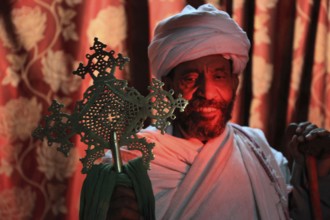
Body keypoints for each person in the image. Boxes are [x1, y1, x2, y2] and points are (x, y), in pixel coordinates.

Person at [106, 4, 330, 220]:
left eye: (219, 77)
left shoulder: (259, 152)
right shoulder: (130, 162)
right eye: (190, 79)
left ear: (234, 83)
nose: (207, 92)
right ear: (167, 86)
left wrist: (313, 173)